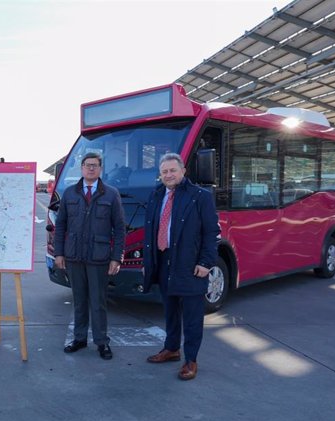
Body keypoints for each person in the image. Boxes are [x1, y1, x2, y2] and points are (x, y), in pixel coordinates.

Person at [143, 153, 220, 380]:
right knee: (170, 311)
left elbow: (211, 232)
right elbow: (151, 230)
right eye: (164, 171)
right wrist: (149, 263)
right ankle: (171, 349)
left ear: (183, 171)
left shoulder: (200, 196)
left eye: (172, 170)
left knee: (193, 315)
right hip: (163, 260)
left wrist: (206, 262)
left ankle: (191, 360)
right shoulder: (157, 195)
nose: (168, 175)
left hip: (190, 264)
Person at [54, 152, 125, 360]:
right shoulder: (69, 194)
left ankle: (102, 342)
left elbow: (119, 229)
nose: (91, 169)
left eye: (95, 165)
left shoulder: (111, 194)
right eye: (87, 165)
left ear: (100, 169)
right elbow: (61, 226)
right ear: (82, 168)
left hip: (99, 258)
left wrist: (116, 257)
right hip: (74, 257)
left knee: (98, 301)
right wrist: (59, 253)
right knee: (79, 300)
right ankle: (80, 338)